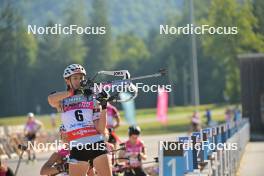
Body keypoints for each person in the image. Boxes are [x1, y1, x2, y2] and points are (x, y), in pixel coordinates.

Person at [47, 64, 112, 176]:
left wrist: (104, 107)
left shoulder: (91, 98)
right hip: (77, 147)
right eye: (75, 78)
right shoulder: (62, 99)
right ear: (67, 81)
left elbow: (100, 129)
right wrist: (72, 93)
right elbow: (51, 99)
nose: (79, 81)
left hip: (96, 143)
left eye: (81, 78)